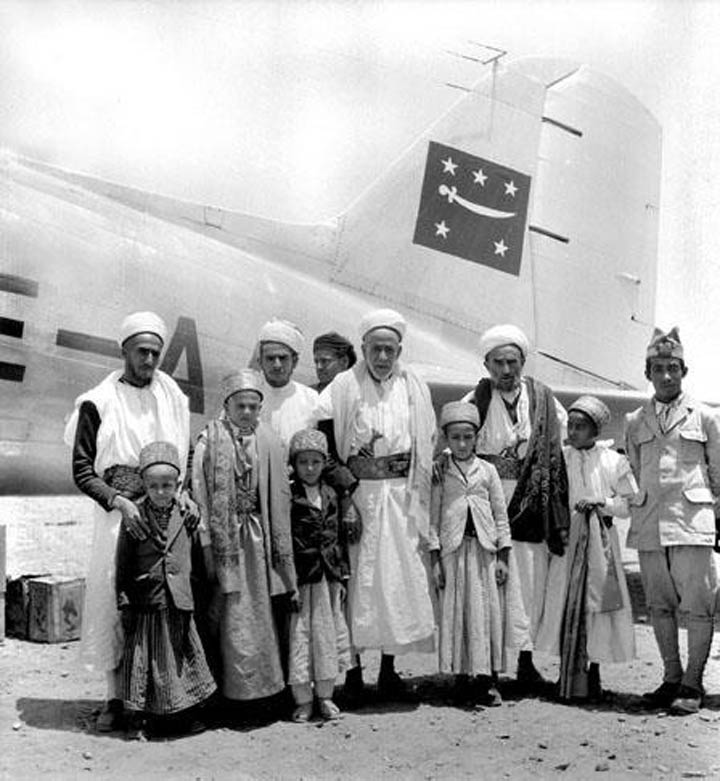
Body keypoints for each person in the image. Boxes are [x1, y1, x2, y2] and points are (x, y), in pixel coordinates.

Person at [65, 311, 191, 732]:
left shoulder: (171, 395)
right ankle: (114, 698)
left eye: (155, 352)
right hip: (118, 516)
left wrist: (182, 492)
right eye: (141, 351)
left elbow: (183, 453)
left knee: (160, 604)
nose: (149, 360)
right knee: (113, 600)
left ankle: (158, 699)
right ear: (124, 351)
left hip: (164, 513)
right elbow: (82, 470)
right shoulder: (98, 401)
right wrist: (119, 501)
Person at [315, 308, 436, 701]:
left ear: (399, 350)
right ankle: (352, 674)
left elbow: (426, 443)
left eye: (390, 350)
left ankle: (388, 669)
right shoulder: (342, 387)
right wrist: (346, 500)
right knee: (357, 583)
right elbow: (326, 451)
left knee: (395, 582)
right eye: (375, 349)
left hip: (401, 497)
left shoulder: (413, 387)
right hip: (358, 498)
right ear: (363, 348)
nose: (382, 357)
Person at [461, 324, 569, 687]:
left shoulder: (542, 399)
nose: (506, 370)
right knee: (488, 584)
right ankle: (486, 669)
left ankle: (525, 663)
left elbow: (558, 442)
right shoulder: (475, 399)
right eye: (498, 363)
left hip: (531, 503)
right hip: (489, 501)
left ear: (523, 362)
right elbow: (458, 443)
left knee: (528, 585)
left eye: (513, 362)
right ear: (486, 364)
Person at [625, 327, 720, 715]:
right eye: (658, 368)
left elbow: (718, 473)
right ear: (647, 373)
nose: (666, 376)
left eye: (673, 368)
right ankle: (670, 677)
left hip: (692, 522)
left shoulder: (706, 417)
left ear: (684, 371)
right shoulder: (635, 420)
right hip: (650, 524)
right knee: (659, 606)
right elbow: (635, 468)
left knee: (698, 607)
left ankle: (692, 682)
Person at [192, 369, 298, 705]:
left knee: (263, 613)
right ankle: (229, 694)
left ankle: (267, 690)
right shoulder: (209, 440)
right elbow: (199, 492)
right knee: (229, 613)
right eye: (241, 406)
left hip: (260, 538)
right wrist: (207, 540)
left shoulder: (269, 440)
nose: (247, 412)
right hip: (226, 539)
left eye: (253, 406)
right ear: (227, 405)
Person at [429, 402, 530, 707]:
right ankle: (461, 678)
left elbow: (500, 515)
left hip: (485, 552)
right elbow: (432, 518)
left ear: (476, 438)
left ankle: (489, 680)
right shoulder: (441, 472)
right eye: (455, 437)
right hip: (454, 550)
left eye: (468, 437)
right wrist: (435, 559)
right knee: (458, 613)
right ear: (446, 439)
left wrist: (503, 556)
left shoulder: (488, 471)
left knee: (488, 614)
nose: (462, 444)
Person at [115, 441, 216, 738]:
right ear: (144, 485)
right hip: (147, 602)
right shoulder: (133, 518)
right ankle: (139, 721)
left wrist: (197, 592)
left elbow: (195, 558)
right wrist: (124, 600)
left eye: (167, 486)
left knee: (181, 661)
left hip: (178, 603)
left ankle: (183, 716)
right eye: (154, 486)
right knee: (145, 663)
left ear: (177, 485)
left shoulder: (187, 514)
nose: (160, 492)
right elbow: (123, 563)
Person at [558, 396, 637, 702]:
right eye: (570, 425)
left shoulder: (613, 461)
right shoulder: (562, 458)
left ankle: (594, 670)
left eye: (580, 427)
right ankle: (568, 672)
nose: (573, 432)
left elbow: (628, 505)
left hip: (601, 542)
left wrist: (601, 502)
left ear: (595, 430)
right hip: (568, 541)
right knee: (568, 603)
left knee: (599, 604)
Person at [287, 428, 351, 722]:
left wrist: (342, 575)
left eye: (315, 462)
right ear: (294, 464)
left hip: (328, 577)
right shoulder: (289, 497)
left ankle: (326, 696)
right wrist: (288, 581)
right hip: (302, 578)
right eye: (303, 462)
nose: (310, 468)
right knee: (301, 636)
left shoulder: (330, 494)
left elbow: (337, 538)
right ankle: (303, 700)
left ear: (324, 463)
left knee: (326, 635)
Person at [255, 318, 318, 452]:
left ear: (294, 362)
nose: (277, 365)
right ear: (260, 362)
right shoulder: (244, 395)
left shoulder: (311, 400)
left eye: (283, 358)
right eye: (270, 358)